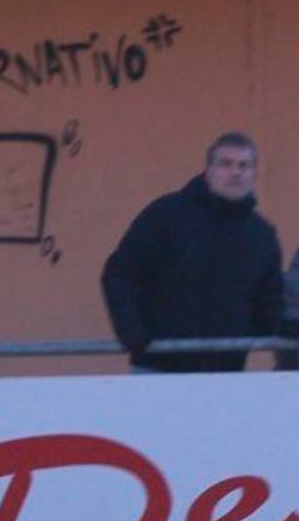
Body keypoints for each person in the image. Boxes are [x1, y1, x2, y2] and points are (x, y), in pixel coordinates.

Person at [102, 133, 285, 373]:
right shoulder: (166, 215)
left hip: (226, 375)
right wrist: (131, 331)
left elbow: (268, 305)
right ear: (208, 170)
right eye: (226, 163)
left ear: (254, 174)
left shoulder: (262, 236)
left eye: (244, 166)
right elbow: (120, 273)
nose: (235, 172)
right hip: (157, 369)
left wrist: (285, 330)